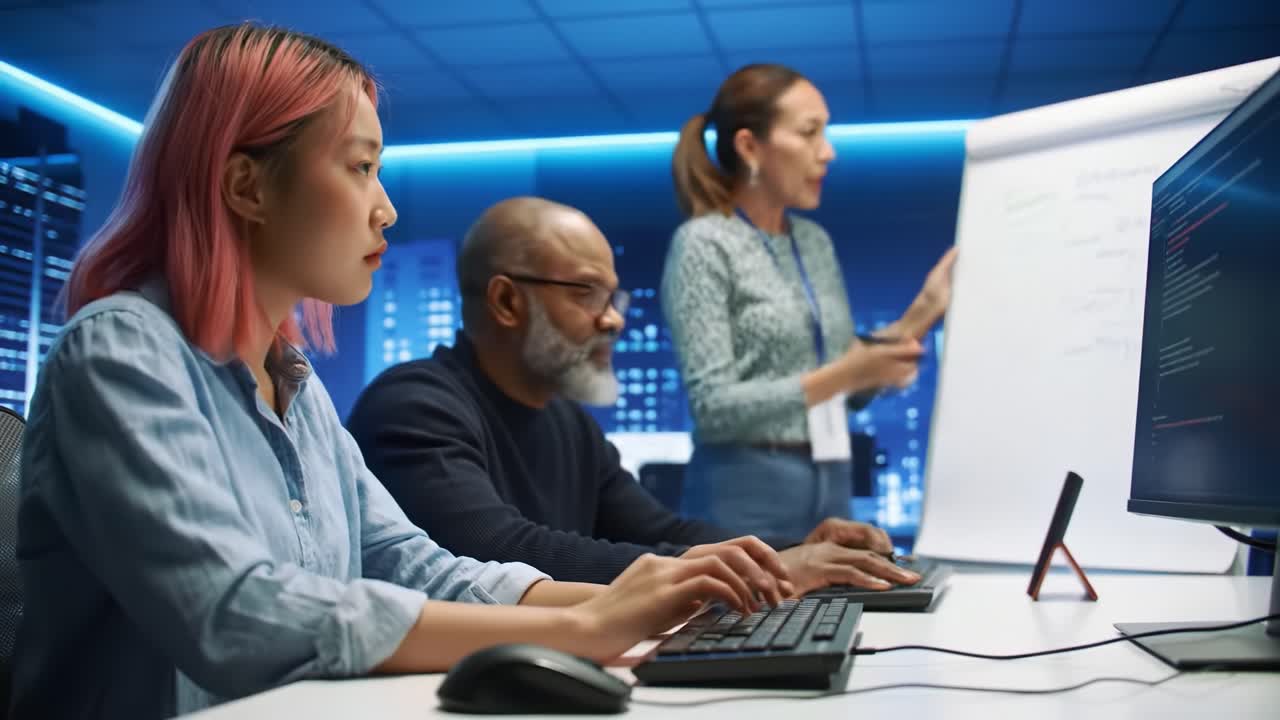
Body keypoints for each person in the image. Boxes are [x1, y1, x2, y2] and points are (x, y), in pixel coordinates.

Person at [11, 26, 776, 720]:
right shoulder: (119, 353)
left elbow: (411, 567)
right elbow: (235, 613)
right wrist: (581, 628)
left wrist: (653, 596)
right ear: (246, 186)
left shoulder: (295, 386)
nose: (386, 209)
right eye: (360, 167)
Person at [347, 197, 922, 598]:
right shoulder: (414, 406)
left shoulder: (569, 423)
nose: (613, 319)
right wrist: (731, 573)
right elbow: (497, 550)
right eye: (587, 293)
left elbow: (660, 531)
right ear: (505, 301)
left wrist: (794, 550)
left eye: (613, 295)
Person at [662, 64, 957, 539]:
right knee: (753, 616)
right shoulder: (703, 243)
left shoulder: (813, 242)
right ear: (749, 146)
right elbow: (712, 408)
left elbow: (849, 388)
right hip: (745, 497)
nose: (828, 152)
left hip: (833, 485)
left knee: (838, 612)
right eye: (809, 133)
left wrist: (924, 311)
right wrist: (846, 373)